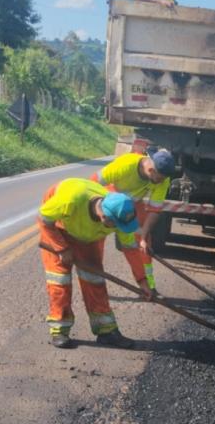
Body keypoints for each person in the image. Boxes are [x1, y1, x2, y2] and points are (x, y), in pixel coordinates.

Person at [37, 178, 155, 350]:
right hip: (58, 227)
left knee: (95, 281)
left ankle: (106, 331)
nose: (119, 228)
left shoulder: (118, 213)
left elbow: (130, 248)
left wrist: (142, 281)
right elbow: (44, 219)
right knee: (59, 281)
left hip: (87, 236)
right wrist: (61, 248)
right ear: (104, 215)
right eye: (116, 225)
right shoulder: (71, 199)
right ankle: (59, 330)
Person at [91, 149, 177, 289]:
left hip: (132, 204)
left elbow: (155, 210)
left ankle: (148, 285)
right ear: (150, 170)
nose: (162, 182)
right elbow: (92, 183)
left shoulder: (163, 179)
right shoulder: (125, 164)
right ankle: (95, 283)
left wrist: (143, 234)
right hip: (108, 201)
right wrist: (99, 211)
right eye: (160, 178)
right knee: (95, 242)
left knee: (143, 243)